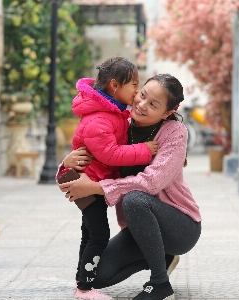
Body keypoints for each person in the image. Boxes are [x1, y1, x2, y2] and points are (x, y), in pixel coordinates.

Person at [59, 74, 202, 300]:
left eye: (153, 104)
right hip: (140, 229)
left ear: (166, 113)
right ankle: (163, 259)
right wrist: (68, 163)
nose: (142, 104)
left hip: (180, 226)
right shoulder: (120, 124)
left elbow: (151, 182)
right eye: (142, 95)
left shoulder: (175, 132)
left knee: (135, 198)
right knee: (97, 276)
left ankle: (159, 284)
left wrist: (96, 188)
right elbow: (94, 154)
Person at [56, 57, 159, 300]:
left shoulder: (111, 113)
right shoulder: (99, 119)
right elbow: (111, 155)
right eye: (134, 85)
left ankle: (82, 280)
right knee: (99, 235)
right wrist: (146, 149)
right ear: (114, 86)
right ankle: (84, 288)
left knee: (89, 232)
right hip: (87, 184)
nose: (136, 91)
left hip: (92, 181)